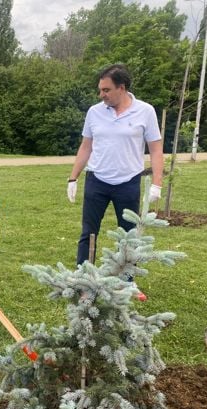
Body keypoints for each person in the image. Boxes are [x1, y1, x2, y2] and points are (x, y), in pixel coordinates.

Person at [67, 64, 163, 300]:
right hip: (96, 180)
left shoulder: (145, 111)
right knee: (89, 232)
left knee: (129, 235)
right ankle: (84, 281)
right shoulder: (94, 112)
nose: (101, 95)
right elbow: (86, 146)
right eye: (100, 90)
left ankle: (127, 283)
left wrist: (157, 184)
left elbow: (156, 149)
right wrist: (73, 177)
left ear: (122, 88)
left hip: (128, 182)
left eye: (106, 90)